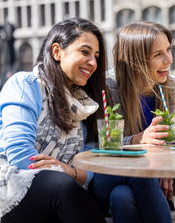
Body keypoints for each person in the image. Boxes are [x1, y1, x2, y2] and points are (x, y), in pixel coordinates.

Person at [0, 18, 107, 222]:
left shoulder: (84, 104)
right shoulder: (25, 84)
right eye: (84, 52)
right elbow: (20, 153)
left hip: (56, 191)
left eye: (96, 56)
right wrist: (64, 172)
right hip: (10, 187)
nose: (93, 62)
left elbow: (91, 163)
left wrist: (71, 172)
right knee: (63, 187)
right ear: (57, 52)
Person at [89, 21, 175, 223]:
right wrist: (136, 140)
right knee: (141, 170)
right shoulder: (106, 87)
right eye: (158, 55)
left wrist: (168, 166)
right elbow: (96, 145)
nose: (169, 60)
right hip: (108, 174)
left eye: (168, 50)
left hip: (147, 184)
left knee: (122, 198)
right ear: (135, 59)